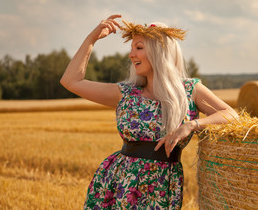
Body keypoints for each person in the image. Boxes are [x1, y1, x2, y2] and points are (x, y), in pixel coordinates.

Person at [60, 14, 238, 210]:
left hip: (162, 186)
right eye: (131, 49)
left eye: (139, 48)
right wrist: (91, 39)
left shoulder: (190, 91)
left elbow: (230, 115)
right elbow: (71, 81)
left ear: (158, 51)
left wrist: (191, 125)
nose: (131, 55)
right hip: (120, 183)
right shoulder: (125, 93)